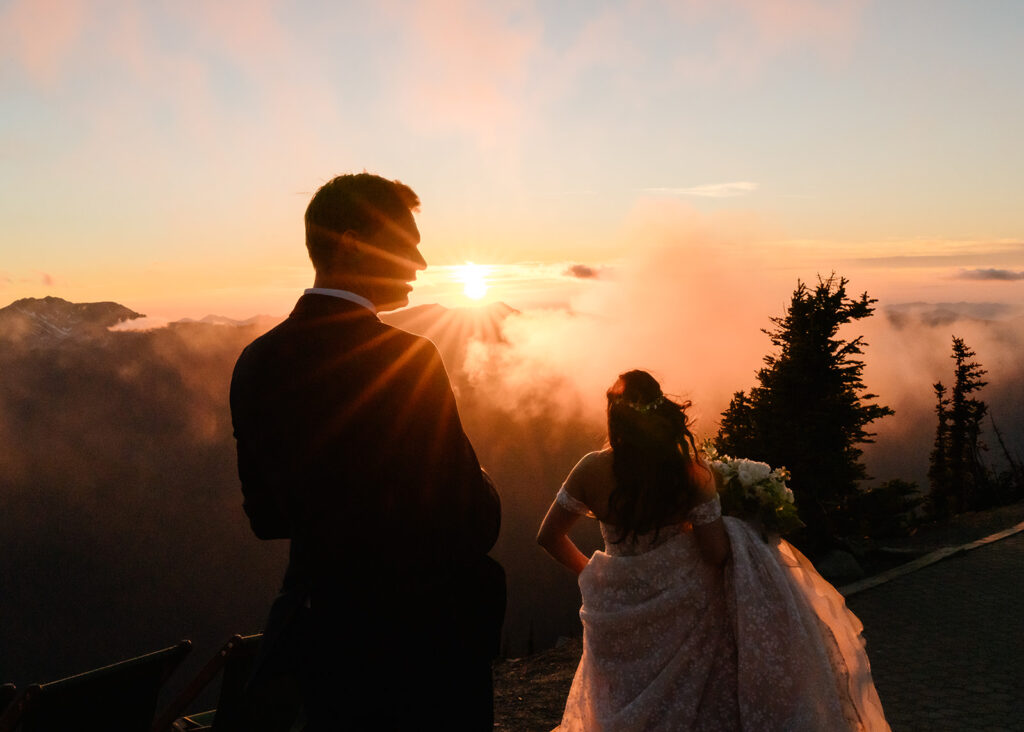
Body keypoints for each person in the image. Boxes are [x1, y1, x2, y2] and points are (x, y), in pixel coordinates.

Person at [229, 173, 504, 730]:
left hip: (320, 643)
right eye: (406, 241)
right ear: (353, 242)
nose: (421, 262)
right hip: (424, 651)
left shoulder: (255, 361)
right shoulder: (408, 360)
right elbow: (472, 519)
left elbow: (264, 517)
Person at [538, 370, 889, 731]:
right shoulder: (690, 472)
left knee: (616, 702)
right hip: (685, 608)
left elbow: (548, 536)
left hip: (616, 609)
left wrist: (596, 575)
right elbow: (716, 553)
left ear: (614, 415)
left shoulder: (589, 468)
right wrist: (741, 526)